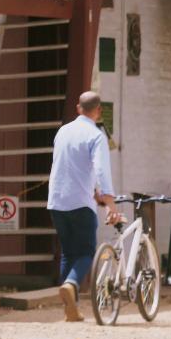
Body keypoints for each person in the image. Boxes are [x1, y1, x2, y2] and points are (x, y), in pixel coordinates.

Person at [47, 91, 121, 322]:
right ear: (98, 111)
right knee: (87, 251)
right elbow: (101, 169)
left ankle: (71, 308)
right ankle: (71, 284)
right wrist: (109, 201)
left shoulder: (62, 132)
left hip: (57, 201)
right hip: (81, 202)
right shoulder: (95, 135)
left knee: (68, 253)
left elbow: (67, 166)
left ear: (78, 108)